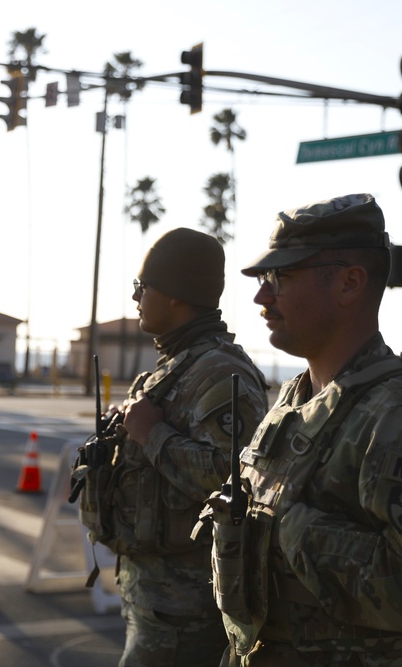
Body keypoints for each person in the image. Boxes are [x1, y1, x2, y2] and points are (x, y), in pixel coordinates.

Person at [200, 194, 402, 666]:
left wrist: (286, 526)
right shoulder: (296, 398)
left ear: (349, 283)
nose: (261, 296)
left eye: (281, 276)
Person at [91, 227, 269, 666]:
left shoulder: (220, 373)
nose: (135, 298)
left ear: (175, 295)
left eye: (141, 287)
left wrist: (152, 434)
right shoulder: (177, 367)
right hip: (154, 594)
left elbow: (235, 483)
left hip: (186, 606)